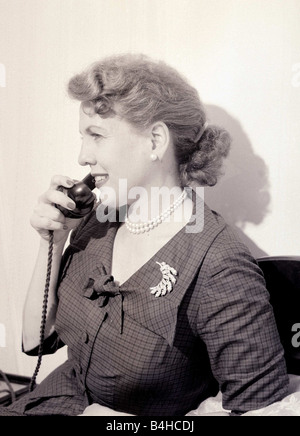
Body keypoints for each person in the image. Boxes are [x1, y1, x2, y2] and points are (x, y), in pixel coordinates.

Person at [1, 54, 289, 416]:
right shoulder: (97, 221)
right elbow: (35, 343)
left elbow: (262, 410)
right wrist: (52, 242)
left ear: (155, 140)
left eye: (96, 136)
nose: (82, 156)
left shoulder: (219, 263)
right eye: (81, 137)